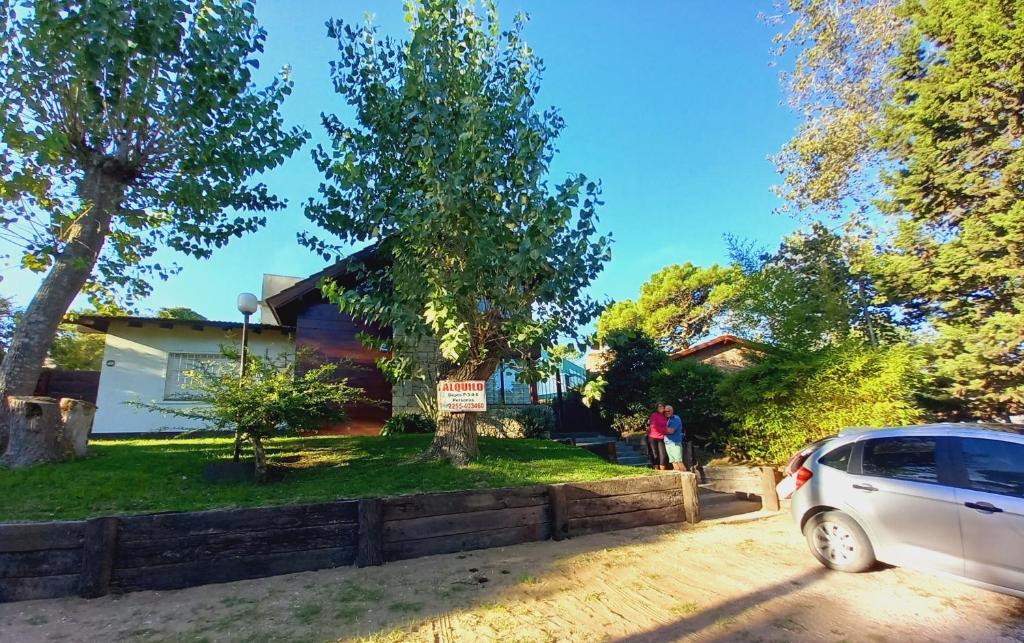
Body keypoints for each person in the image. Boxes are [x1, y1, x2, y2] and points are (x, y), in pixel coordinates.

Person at [663, 404, 687, 471]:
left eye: (669, 411)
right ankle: (680, 479)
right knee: (673, 462)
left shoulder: (676, 418)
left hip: (675, 443)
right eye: (665, 411)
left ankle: (687, 477)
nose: (667, 412)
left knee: (679, 461)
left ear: (672, 411)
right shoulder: (666, 420)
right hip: (667, 443)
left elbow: (671, 431)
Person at [647, 402, 669, 470]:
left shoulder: (665, 416)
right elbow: (653, 426)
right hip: (653, 437)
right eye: (659, 406)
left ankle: (663, 471)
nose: (661, 408)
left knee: (663, 455)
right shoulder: (654, 415)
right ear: (656, 408)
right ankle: (656, 471)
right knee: (655, 455)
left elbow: (668, 425)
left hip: (662, 437)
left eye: (662, 406)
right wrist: (666, 430)